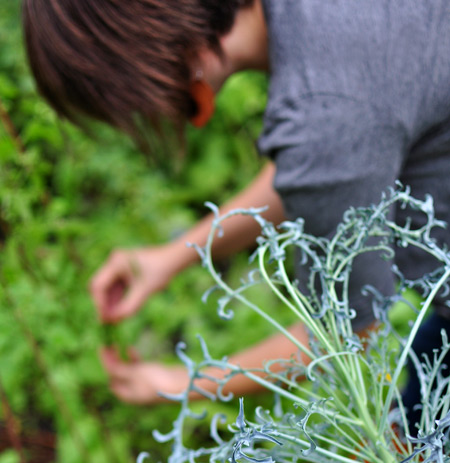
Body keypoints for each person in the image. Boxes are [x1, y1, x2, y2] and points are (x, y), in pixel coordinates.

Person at [23, 0, 450, 425]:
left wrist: (184, 383)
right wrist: (176, 256)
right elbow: (327, 168)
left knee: (410, 461)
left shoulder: (324, 109)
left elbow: (344, 335)